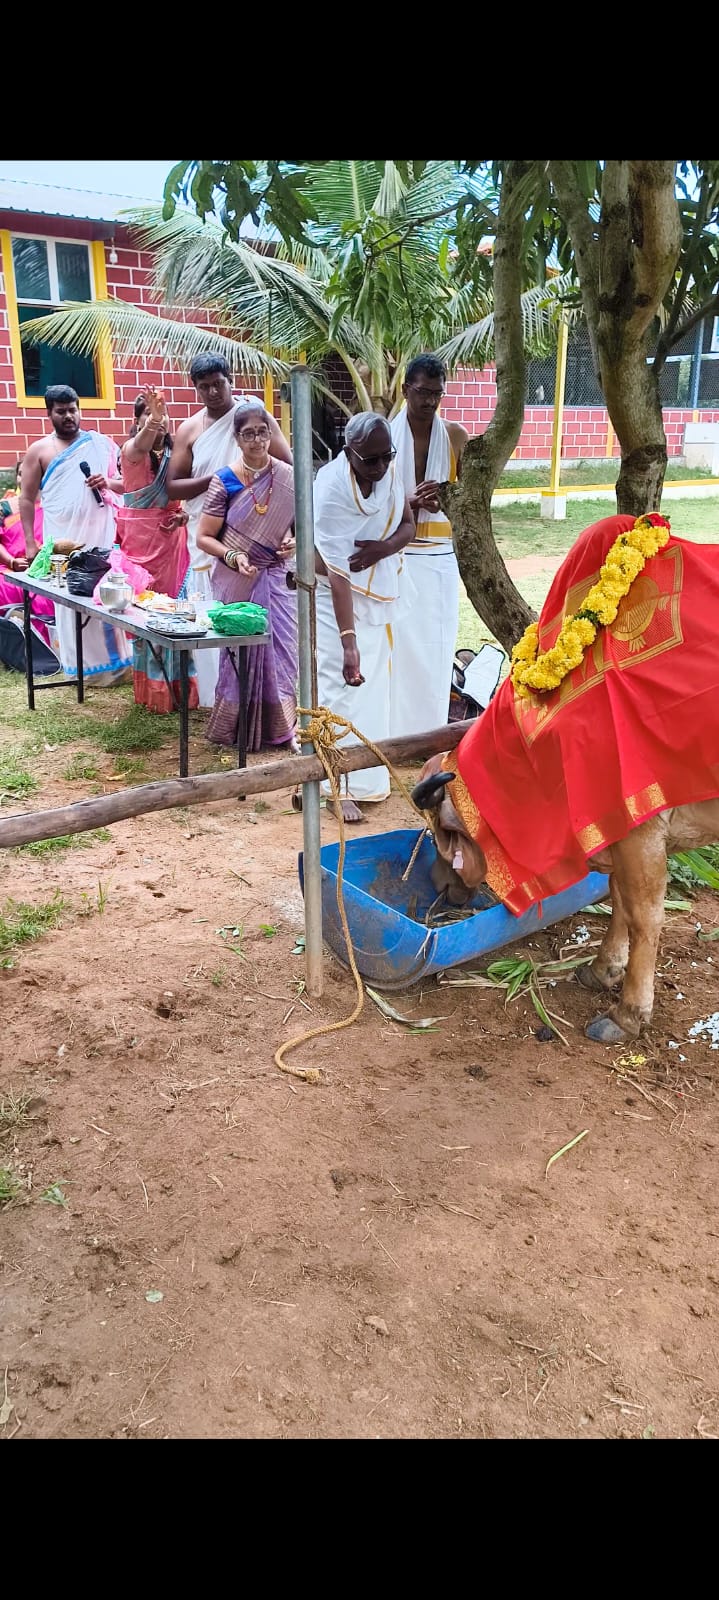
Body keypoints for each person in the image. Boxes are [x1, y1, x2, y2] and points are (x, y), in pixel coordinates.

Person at [166, 353, 292, 707]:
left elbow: (288, 469)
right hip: (210, 537)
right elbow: (173, 488)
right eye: (203, 387)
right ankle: (219, 700)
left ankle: (269, 699)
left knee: (265, 619)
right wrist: (227, 474)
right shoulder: (190, 430)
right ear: (195, 388)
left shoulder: (254, 417)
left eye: (217, 384)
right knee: (215, 616)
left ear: (230, 380)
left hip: (264, 540)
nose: (212, 392)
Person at [313, 412, 415, 824]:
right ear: (348, 451)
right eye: (369, 460)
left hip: (377, 588)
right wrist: (348, 640)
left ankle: (367, 780)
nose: (379, 468)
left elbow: (408, 525)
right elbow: (338, 570)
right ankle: (333, 786)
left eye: (385, 457)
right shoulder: (332, 489)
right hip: (334, 594)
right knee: (340, 686)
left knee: (372, 691)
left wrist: (382, 549)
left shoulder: (389, 471)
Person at [196, 402, 297, 751]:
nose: (257, 440)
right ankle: (236, 726)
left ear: (271, 434)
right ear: (237, 439)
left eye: (263, 431)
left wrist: (292, 543)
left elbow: (298, 528)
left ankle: (281, 726)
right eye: (248, 434)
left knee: (282, 651)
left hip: (277, 577)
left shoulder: (286, 476)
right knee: (241, 654)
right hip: (238, 578)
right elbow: (204, 537)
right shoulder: (223, 481)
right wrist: (233, 554)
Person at [19, 386, 132, 684]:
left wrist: (107, 481)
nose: (69, 416)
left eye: (73, 409)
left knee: (105, 593)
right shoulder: (39, 451)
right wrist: (31, 542)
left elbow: (126, 483)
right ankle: (82, 670)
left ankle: (118, 666)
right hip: (63, 539)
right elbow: (27, 498)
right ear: (49, 414)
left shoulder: (101, 444)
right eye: (61, 411)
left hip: (100, 535)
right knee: (70, 599)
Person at [389, 354, 469, 734]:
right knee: (398, 648)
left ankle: (430, 731)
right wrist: (410, 502)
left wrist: (445, 497)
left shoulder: (456, 436)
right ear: (406, 390)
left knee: (436, 647)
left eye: (437, 394)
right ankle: (396, 730)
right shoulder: (383, 436)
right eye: (422, 392)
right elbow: (369, 501)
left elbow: (471, 499)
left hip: (438, 558)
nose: (430, 401)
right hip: (397, 554)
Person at [117, 387, 197, 714]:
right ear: (138, 424)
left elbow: (185, 490)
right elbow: (141, 443)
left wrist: (186, 514)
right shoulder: (132, 452)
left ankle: (183, 691)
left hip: (175, 546)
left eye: (163, 416)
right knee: (149, 617)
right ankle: (154, 695)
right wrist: (155, 420)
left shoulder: (173, 453)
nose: (158, 422)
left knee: (179, 615)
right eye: (148, 417)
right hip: (143, 548)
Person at [0, 462, 54, 646]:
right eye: (20, 473)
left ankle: (36, 640)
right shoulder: (6, 507)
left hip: (43, 571)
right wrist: (12, 561)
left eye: (31, 472)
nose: (25, 477)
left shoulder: (53, 507)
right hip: (8, 567)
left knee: (46, 596)